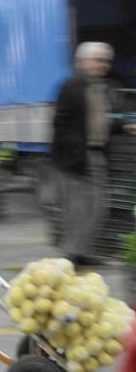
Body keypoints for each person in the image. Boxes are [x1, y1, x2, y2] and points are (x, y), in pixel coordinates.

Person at [51, 41, 136, 266]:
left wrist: (122, 127)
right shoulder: (72, 85)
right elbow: (61, 121)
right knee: (79, 207)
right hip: (79, 156)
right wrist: (74, 151)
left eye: (105, 61)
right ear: (84, 61)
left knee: (98, 205)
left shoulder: (101, 87)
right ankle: (71, 256)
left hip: (96, 154)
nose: (103, 65)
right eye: (98, 60)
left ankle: (82, 252)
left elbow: (100, 119)